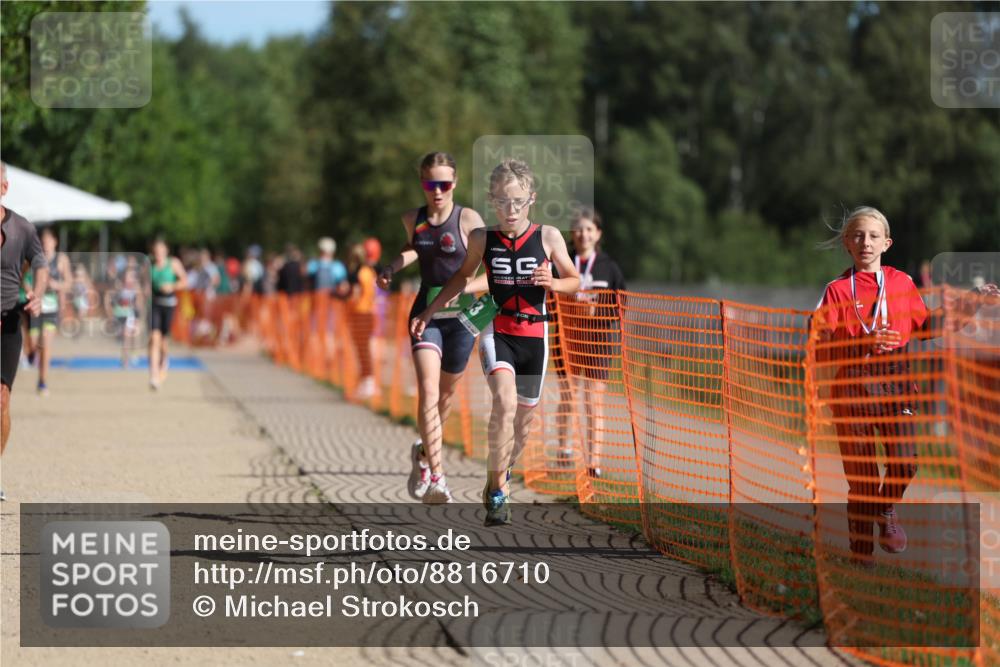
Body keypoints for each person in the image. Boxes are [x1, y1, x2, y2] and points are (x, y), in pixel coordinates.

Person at [814, 206, 998, 567]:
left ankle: (886, 508)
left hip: (897, 385)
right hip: (852, 390)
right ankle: (860, 558)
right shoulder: (836, 291)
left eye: (872, 236)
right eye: (857, 236)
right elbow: (815, 345)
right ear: (847, 244)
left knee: (905, 462)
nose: (865, 242)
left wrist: (971, 305)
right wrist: (860, 345)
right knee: (863, 480)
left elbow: (927, 328)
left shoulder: (901, 283)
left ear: (887, 242)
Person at [412, 158, 580, 525]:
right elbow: (459, 278)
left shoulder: (548, 236)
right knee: (503, 403)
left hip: (535, 334)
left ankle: (495, 481)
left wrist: (553, 283)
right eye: (502, 201)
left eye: (517, 201)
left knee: (523, 425)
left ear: (531, 199)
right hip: (497, 329)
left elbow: (575, 280)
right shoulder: (481, 238)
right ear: (492, 200)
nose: (510, 209)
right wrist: (428, 312)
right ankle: (499, 492)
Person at [378, 151, 487, 504]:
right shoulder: (413, 218)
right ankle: (438, 478)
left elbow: (492, 269)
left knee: (446, 397)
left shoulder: (468, 220)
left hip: (463, 317)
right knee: (427, 390)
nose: (436, 191)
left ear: (454, 183)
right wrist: (392, 267)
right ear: (422, 184)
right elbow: (414, 248)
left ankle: (423, 453)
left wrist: (467, 291)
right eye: (430, 184)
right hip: (426, 313)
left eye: (443, 184)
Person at [554, 208, 627, 478]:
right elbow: (549, 297)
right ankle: (564, 450)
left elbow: (622, 304)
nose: (583, 234)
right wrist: (569, 307)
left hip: (599, 341)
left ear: (597, 234)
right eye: (578, 229)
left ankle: (594, 462)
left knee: (594, 402)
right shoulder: (562, 263)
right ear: (572, 234)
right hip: (567, 338)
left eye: (589, 229)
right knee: (568, 397)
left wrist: (599, 311)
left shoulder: (609, 267)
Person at [1, 161, 49, 500]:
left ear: (3, 187)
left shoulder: (22, 228)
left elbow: (41, 264)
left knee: (1, 400)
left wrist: (38, 293)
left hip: (8, 322)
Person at [27, 228, 72, 396]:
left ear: (55, 242)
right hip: (34, 307)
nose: (45, 244)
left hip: (51, 307)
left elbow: (68, 283)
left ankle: (42, 381)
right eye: (43, 241)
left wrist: (56, 285)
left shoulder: (61, 260)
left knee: (45, 344)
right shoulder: (34, 258)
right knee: (32, 343)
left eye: (48, 241)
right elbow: (24, 278)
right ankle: (31, 354)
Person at [148, 238, 188, 390]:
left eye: (161, 251)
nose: (158, 254)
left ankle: (165, 360)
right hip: (155, 304)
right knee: (154, 337)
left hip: (169, 304)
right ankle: (154, 375)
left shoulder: (173, 263)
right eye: (156, 251)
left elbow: (185, 281)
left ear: (166, 251)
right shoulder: (151, 265)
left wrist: (172, 286)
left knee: (164, 341)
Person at [347, 242, 380, 400]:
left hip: (361, 313)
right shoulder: (369, 271)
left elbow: (355, 294)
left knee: (363, 349)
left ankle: (369, 382)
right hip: (366, 313)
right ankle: (366, 381)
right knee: (363, 349)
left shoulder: (360, 273)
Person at [105, 267, 143, 367]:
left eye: (131, 277)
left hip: (130, 315)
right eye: (128, 276)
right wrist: (110, 312)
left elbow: (139, 303)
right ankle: (125, 358)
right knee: (124, 337)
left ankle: (128, 358)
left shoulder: (136, 288)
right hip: (119, 315)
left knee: (128, 336)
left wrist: (137, 317)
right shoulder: (119, 286)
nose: (129, 279)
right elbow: (109, 296)